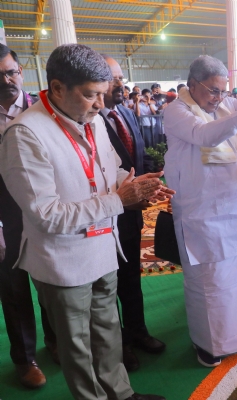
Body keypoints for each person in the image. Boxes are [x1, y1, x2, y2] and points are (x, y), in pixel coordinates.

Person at [0, 43, 169, 400]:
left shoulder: (90, 120)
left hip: (102, 245)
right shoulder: (25, 134)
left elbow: (106, 170)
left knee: (108, 330)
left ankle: (120, 394)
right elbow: (45, 215)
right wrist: (116, 200)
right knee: (76, 346)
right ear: (57, 88)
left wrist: (133, 185)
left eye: (102, 94)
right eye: (91, 95)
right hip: (64, 258)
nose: (100, 104)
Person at [163, 55, 237, 367]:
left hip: (236, 207)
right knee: (211, 282)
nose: (219, 98)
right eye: (213, 91)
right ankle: (210, 345)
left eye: (222, 91)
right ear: (192, 85)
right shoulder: (176, 112)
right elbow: (207, 135)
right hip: (202, 214)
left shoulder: (224, 104)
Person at [99, 55, 166, 372]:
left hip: (131, 214)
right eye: (112, 79)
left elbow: (135, 157)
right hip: (104, 216)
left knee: (130, 279)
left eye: (121, 78)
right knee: (108, 286)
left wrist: (150, 183)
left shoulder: (124, 112)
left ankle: (137, 331)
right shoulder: (89, 120)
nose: (119, 84)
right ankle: (119, 343)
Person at [0, 43, 57, 389]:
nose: (7, 79)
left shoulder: (45, 110)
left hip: (46, 213)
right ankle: (26, 359)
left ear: (21, 72)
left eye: (11, 71)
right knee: (14, 289)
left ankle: (57, 343)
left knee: (52, 283)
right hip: (5, 219)